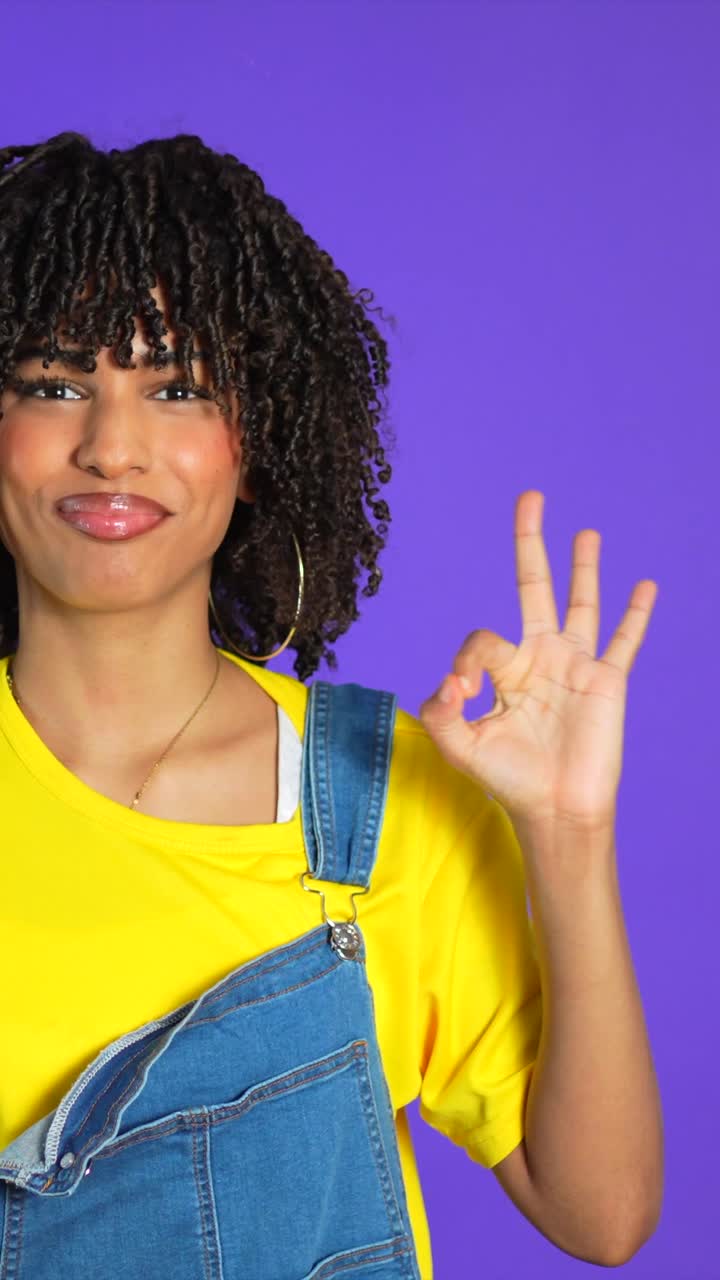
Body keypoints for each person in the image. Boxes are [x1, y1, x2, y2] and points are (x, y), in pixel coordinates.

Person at [0, 132, 663, 1279]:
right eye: (55, 385)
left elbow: (602, 1215)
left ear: (256, 446)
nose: (112, 447)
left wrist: (567, 835)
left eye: (179, 388)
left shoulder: (377, 794)